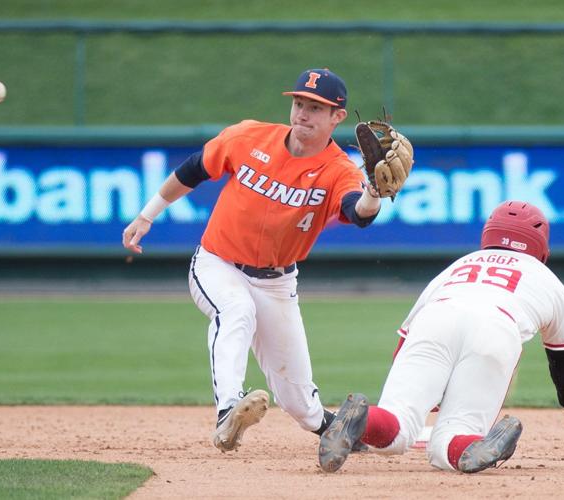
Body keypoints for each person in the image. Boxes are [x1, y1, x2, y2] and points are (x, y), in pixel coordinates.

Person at [122, 68, 409, 452]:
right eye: (299, 104)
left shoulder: (338, 169)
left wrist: (373, 190)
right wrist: (146, 215)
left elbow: (358, 213)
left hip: (277, 282)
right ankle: (228, 410)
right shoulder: (249, 137)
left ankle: (344, 433)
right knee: (236, 310)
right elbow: (194, 169)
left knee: (301, 403)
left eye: (315, 108)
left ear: (337, 117)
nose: (302, 114)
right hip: (217, 263)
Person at [318, 200, 564, 474]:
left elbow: (405, 339)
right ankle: (472, 444)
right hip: (497, 330)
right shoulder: (550, 283)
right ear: (541, 247)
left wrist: (423, 388)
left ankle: (361, 419)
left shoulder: (459, 265)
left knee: (397, 426)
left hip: (434, 321)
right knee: (448, 440)